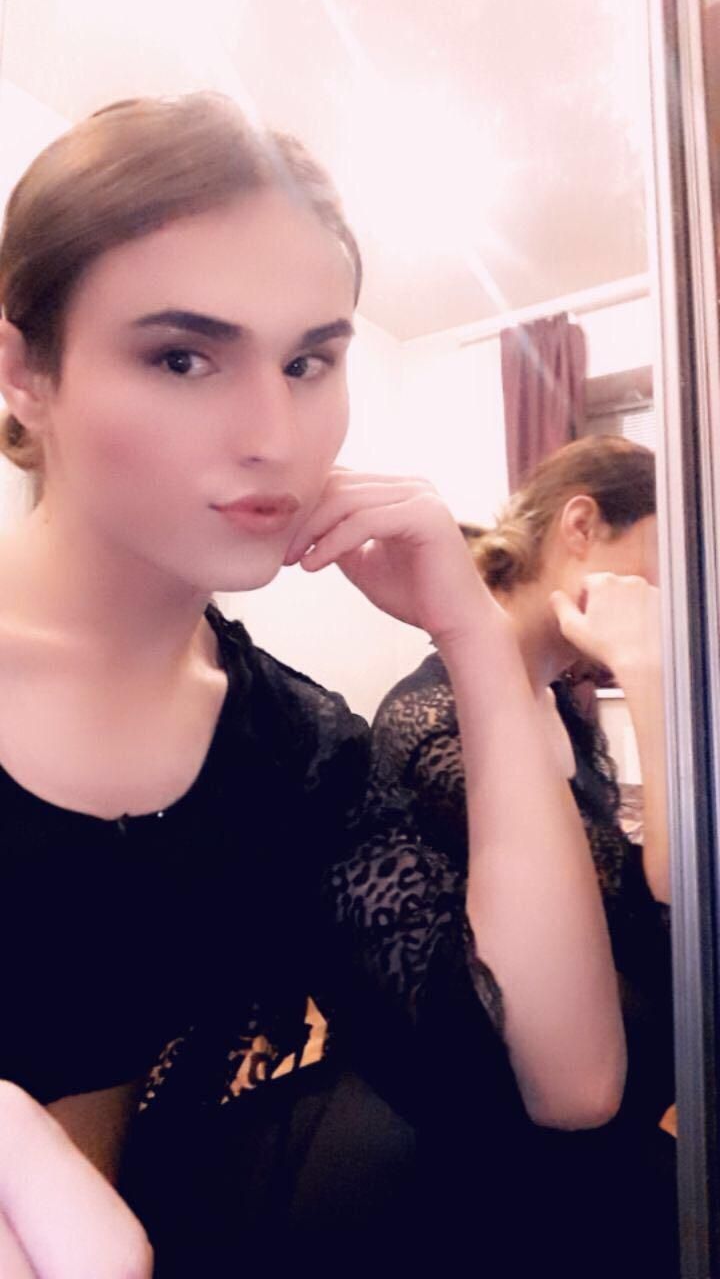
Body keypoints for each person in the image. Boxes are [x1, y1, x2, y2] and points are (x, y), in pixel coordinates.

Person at [0, 94, 626, 1273]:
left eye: (308, 361)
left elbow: (570, 1079)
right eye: (182, 356)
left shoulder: (288, 746)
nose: (274, 432)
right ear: (25, 372)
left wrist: (473, 632)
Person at [354, 435, 675, 1276]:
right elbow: (673, 896)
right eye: (663, 558)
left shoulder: (561, 703)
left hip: (619, 1131)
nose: (668, 595)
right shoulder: (434, 720)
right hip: (521, 1174)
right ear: (581, 525)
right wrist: (648, 674)